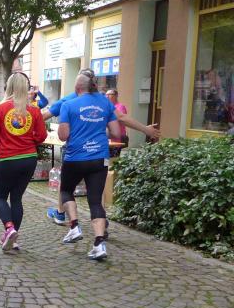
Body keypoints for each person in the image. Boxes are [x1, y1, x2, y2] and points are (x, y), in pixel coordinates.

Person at [42, 69, 160, 225]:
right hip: (98, 152)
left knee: (66, 185)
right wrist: (145, 129)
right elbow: (121, 118)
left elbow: (45, 116)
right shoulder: (102, 100)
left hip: (75, 152)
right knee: (97, 187)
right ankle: (101, 220)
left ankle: (61, 213)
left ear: (79, 83)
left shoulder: (69, 99)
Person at [58, 72, 121, 260]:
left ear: (77, 88)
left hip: (75, 157)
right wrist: (98, 132)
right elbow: (116, 132)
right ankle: (99, 244)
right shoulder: (106, 103)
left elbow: (63, 135)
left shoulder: (68, 105)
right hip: (99, 158)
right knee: (95, 200)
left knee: (66, 190)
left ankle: (74, 226)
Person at [0, 73, 47, 251]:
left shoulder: (0, 108)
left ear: (9, 87)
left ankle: (9, 228)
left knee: (0, 197)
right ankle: (12, 238)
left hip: (7, 159)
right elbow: (42, 136)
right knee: (16, 199)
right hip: (29, 159)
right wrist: (29, 139)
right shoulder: (34, 110)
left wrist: (6, 138)